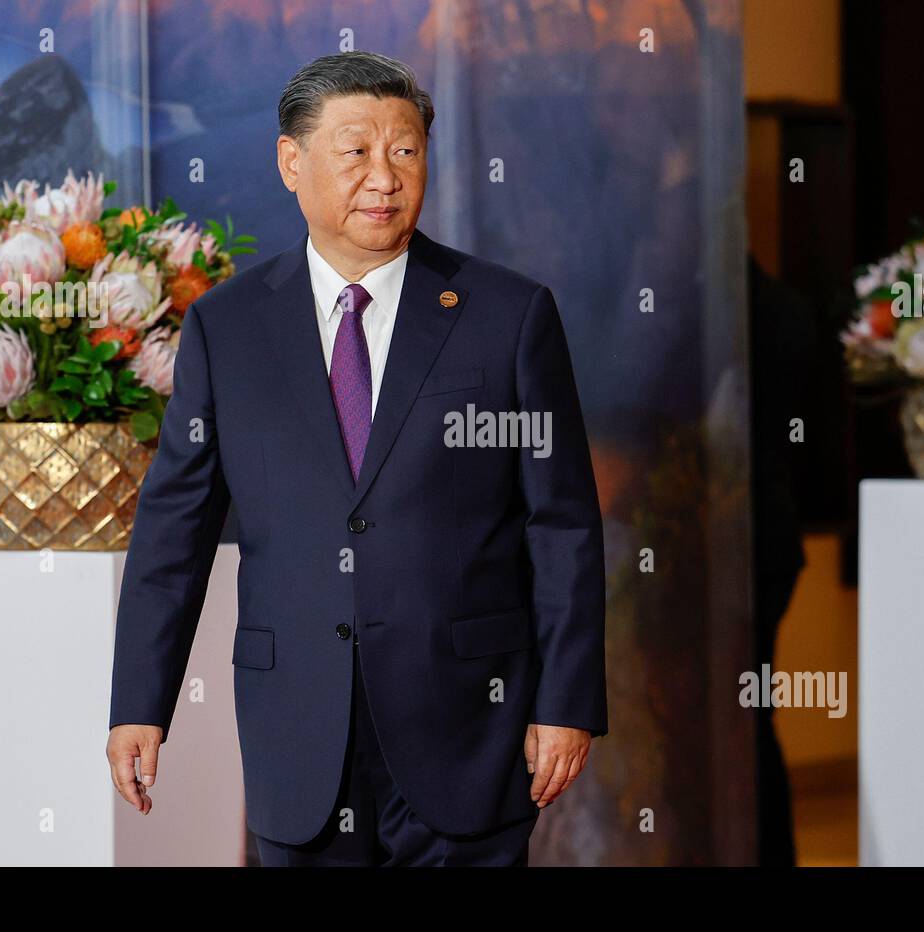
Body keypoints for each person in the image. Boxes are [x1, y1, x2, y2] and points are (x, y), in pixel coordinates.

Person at [104, 51, 607, 867]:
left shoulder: (508, 316)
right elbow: (173, 534)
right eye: (357, 151)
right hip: (297, 730)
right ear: (291, 161)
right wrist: (138, 705)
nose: (385, 176)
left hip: (469, 730)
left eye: (405, 151)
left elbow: (563, 526)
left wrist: (568, 700)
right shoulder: (226, 329)